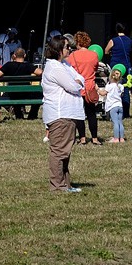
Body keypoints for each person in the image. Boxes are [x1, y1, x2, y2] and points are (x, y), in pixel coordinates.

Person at [41, 36, 85, 193]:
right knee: (59, 151)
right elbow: (73, 85)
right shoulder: (54, 67)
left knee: (65, 151)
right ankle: (57, 186)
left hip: (69, 114)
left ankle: (66, 184)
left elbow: (80, 78)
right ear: (59, 50)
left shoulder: (64, 64)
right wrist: (77, 82)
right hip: (60, 114)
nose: (70, 50)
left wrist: (78, 81)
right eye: (67, 47)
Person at [68, 31, 101, 145]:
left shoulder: (72, 56)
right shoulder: (94, 55)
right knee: (92, 114)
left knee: (79, 114)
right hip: (90, 87)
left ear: (77, 42)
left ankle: (82, 137)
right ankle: (95, 138)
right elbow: (95, 68)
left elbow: (69, 70)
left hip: (78, 88)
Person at [0, 48, 43, 119]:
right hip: (26, 93)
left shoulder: (8, 65)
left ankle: (19, 114)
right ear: (24, 55)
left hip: (12, 93)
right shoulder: (28, 65)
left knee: (10, 94)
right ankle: (32, 115)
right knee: (39, 95)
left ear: (14, 55)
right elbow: (40, 72)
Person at [104, 22, 132, 119]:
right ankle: (126, 113)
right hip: (126, 66)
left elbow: (106, 51)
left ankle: (114, 111)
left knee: (114, 88)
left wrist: (112, 53)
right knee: (125, 89)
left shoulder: (113, 40)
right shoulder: (129, 40)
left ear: (116, 30)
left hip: (116, 66)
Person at [100, 69, 126, 143]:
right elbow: (121, 94)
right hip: (120, 106)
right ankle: (122, 138)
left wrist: (97, 89)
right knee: (120, 122)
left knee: (115, 122)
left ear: (111, 77)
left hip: (112, 106)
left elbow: (103, 93)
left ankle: (116, 138)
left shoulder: (109, 86)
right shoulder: (121, 86)